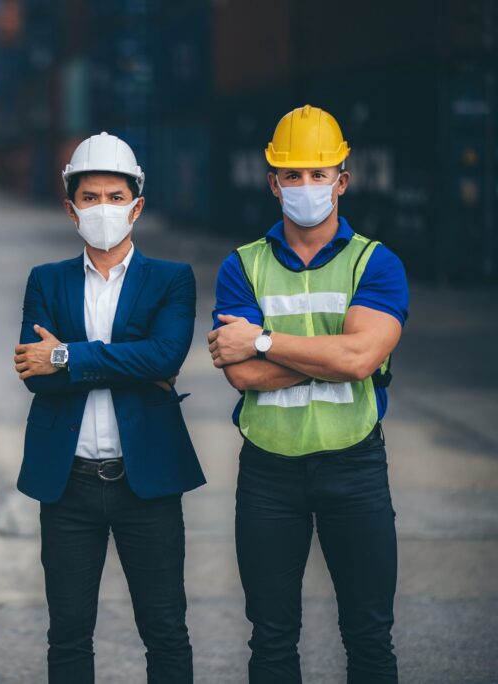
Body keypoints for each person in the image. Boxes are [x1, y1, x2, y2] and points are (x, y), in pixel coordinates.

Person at [208, 105, 408, 683]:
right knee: (271, 641)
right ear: (272, 183)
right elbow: (243, 376)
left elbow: (361, 357)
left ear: (342, 181)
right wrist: (338, 357)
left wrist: (265, 339)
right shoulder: (240, 267)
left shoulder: (376, 263)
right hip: (269, 474)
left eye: (318, 174)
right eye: (291, 175)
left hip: (356, 468)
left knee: (369, 638)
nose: (305, 187)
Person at [13, 132, 205, 683]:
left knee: (165, 628)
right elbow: (35, 376)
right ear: (71, 209)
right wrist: (129, 363)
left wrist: (66, 354)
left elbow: (166, 354)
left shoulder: (172, 279)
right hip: (68, 486)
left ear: (137, 206)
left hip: (147, 485)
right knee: (68, 634)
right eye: (91, 197)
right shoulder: (45, 280)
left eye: (115, 197)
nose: (104, 208)